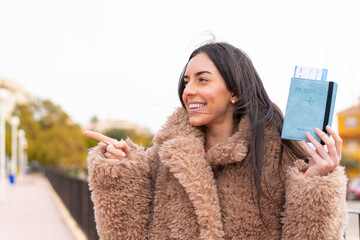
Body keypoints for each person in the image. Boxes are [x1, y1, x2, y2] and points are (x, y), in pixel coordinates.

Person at [84, 42, 347, 240]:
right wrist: (119, 172)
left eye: (203, 80)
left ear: (235, 91)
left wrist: (317, 182)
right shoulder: (163, 155)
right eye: (186, 82)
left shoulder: (278, 156)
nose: (188, 91)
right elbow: (126, 233)